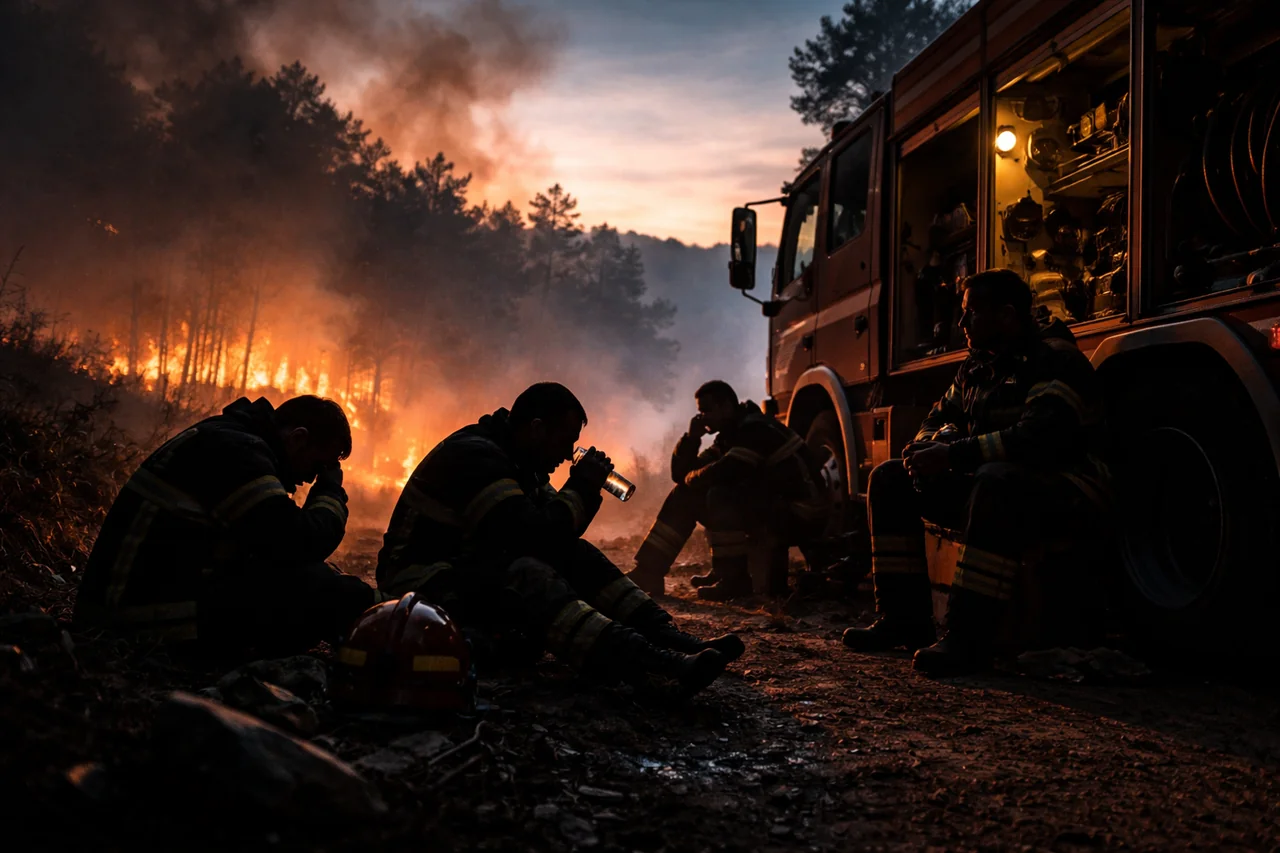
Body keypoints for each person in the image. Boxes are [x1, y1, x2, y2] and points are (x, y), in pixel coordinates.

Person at [376, 382, 743, 699]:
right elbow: (535, 539)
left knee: (575, 554)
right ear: (537, 429)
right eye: (565, 441)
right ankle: (657, 664)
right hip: (421, 584)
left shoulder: (518, 459)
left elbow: (559, 535)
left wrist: (586, 489)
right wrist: (581, 485)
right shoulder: (478, 456)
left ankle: (672, 639)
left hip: (462, 568)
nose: (568, 454)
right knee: (526, 573)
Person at [841, 269, 1110, 676]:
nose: (961, 324)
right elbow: (936, 417)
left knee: (996, 481)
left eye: (970, 314)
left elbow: (1039, 439)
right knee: (889, 479)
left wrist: (952, 456)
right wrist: (926, 447)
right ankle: (903, 620)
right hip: (995, 487)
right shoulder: (976, 367)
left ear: (1005, 315)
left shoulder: (1053, 360)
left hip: (1068, 491)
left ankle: (968, 639)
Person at [75, 396, 377, 657]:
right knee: (321, 590)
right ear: (298, 438)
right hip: (143, 619)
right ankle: (389, 622)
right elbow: (300, 543)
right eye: (316, 466)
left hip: (136, 606)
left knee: (319, 579)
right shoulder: (240, 452)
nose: (310, 479)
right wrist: (330, 490)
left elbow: (269, 544)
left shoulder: (230, 437)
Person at [627, 380, 829, 601]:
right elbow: (681, 475)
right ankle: (649, 572)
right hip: (778, 508)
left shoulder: (755, 429)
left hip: (802, 514)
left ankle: (734, 580)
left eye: (706, 410)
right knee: (685, 495)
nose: (702, 417)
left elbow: (728, 471)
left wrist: (692, 478)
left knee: (720, 495)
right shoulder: (730, 435)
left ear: (726, 407)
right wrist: (692, 439)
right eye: (699, 411)